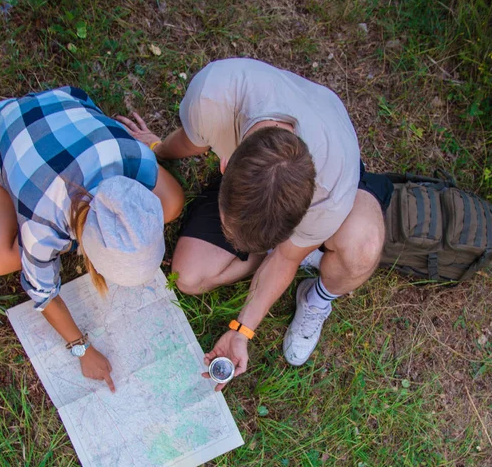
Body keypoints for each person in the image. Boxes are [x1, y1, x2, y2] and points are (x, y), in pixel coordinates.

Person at [117, 58, 393, 388]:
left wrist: (242, 330)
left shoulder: (329, 194)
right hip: (274, 166)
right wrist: (156, 147)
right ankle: (303, 251)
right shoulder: (211, 96)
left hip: (338, 170)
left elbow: (286, 256)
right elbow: (193, 141)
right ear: (224, 165)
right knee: (189, 278)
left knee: (362, 249)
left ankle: (318, 295)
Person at [0, 87, 184, 391]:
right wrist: (81, 348)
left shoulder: (137, 154)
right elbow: (42, 292)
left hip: (65, 109)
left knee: (172, 202)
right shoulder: (41, 224)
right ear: (84, 249)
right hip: (7, 132)